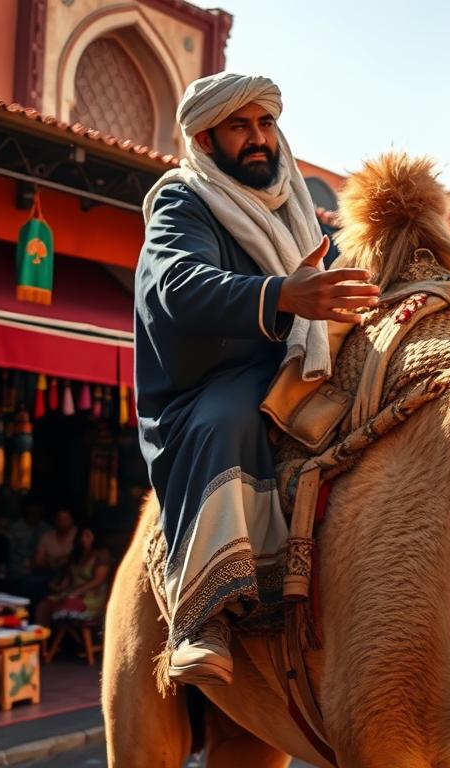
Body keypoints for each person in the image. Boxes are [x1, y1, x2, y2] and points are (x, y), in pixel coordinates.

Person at [136, 73, 381, 685]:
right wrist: (284, 294)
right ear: (205, 136)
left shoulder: (295, 206)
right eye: (240, 127)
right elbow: (177, 288)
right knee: (233, 415)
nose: (258, 139)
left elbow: (333, 283)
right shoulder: (182, 202)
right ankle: (204, 615)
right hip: (208, 387)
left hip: (291, 367)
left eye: (265, 124)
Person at [36, 529, 112, 626]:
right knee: (43, 605)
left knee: (67, 603)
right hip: (71, 593)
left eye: (87, 536)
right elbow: (68, 579)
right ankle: (45, 638)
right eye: (81, 536)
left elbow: (99, 579)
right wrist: (59, 587)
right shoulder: (77, 554)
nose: (83, 539)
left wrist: (76, 592)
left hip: (92, 597)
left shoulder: (102, 553)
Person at [32, 508, 77, 582]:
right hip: (49, 572)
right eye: (59, 519)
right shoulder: (47, 536)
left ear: (72, 520)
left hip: (71, 574)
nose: (62, 522)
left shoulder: (79, 534)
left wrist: (66, 560)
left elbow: (84, 557)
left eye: (66, 519)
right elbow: (37, 562)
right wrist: (52, 564)